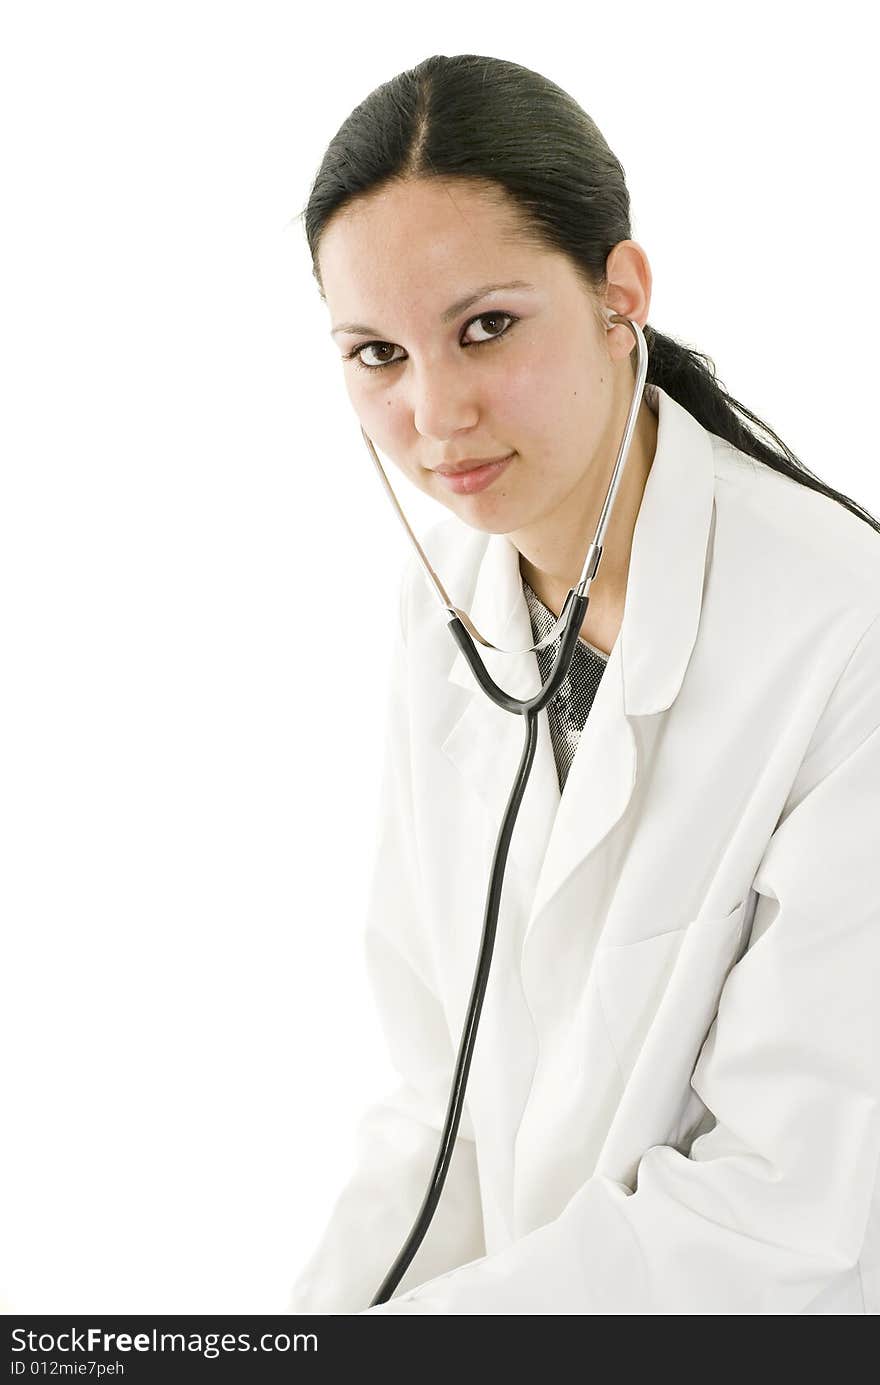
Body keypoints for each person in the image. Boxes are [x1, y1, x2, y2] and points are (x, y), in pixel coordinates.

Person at [286, 53, 880, 1315]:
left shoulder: (844, 633)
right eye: (376, 352)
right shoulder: (448, 604)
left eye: (484, 326)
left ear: (621, 297)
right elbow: (434, 1102)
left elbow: (789, 1205)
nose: (435, 414)